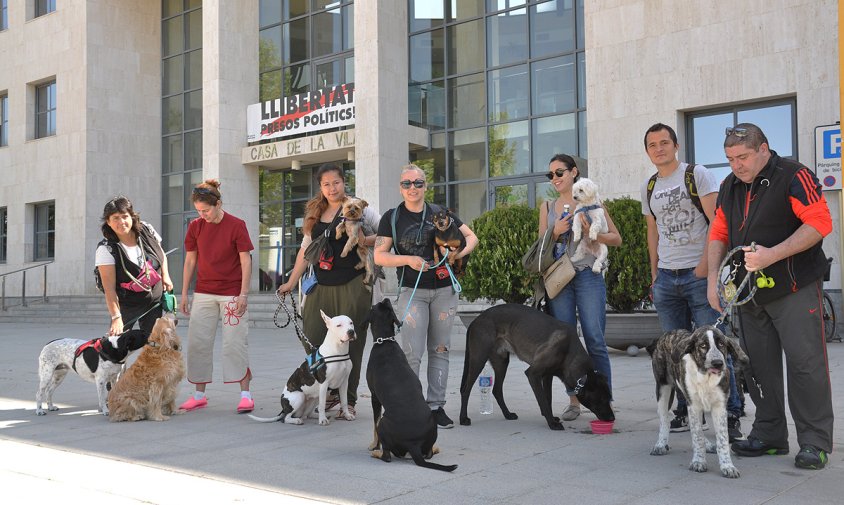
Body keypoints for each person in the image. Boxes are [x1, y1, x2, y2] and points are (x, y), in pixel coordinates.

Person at [707, 123, 833, 470]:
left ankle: (814, 442)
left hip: (794, 287)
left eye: (743, 157)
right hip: (749, 294)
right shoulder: (729, 186)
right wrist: (713, 280)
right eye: (730, 159)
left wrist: (772, 254)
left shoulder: (794, 175)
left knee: (805, 365)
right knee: (757, 366)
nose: (737, 165)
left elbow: (820, 223)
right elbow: (718, 232)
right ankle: (770, 434)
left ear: (763, 148)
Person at [640, 123, 744, 441]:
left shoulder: (696, 174)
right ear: (647, 151)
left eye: (664, 142)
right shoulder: (649, 186)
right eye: (652, 144)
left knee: (716, 348)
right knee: (678, 353)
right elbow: (653, 232)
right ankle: (687, 410)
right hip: (667, 279)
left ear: (676, 145)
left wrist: (706, 267)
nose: (659, 148)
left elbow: (718, 223)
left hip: (698, 277)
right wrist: (655, 273)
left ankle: (730, 414)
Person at [373, 164, 478, 429]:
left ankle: (436, 407)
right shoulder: (392, 217)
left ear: (425, 186)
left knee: (440, 349)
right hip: (412, 291)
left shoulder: (439, 213)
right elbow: (379, 255)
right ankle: (411, 404)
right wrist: (408, 259)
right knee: (411, 353)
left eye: (418, 183)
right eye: (407, 183)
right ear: (400, 187)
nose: (412, 188)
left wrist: (455, 256)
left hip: (444, 290)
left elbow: (471, 238)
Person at [278, 163, 380, 416]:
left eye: (336, 182)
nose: (332, 188)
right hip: (321, 285)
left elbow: (385, 235)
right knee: (312, 336)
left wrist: (363, 240)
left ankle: (350, 400)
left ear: (343, 183)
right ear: (320, 187)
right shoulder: (314, 212)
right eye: (326, 184)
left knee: (351, 342)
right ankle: (329, 388)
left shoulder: (358, 208)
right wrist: (291, 282)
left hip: (353, 284)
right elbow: (306, 250)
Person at [539, 154, 621, 421]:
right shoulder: (547, 206)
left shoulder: (593, 202)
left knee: (595, 339)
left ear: (574, 172)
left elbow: (616, 238)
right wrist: (554, 230)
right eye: (550, 175)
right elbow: (540, 247)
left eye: (559, 172)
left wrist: (589, 233)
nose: (555, 179)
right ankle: (574, 400)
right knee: (565, 342)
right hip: (560, 279)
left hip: (588, 275)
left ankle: (604, 398)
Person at [178, 180, 256, 414]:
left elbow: (245, 260)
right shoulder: (196, 226)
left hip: (232, 293)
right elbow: (190, 260)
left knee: (234, 343)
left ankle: (245, 395)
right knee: (198, 343)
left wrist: (244, 293)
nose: (202, 215)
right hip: (203, 292)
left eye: (206, 210)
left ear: (218, 204)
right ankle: (199, 395)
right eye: (198, 211)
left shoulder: (237, 225)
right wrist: (184, 292)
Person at [95, 196, 172, 336]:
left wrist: (165, 275)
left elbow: (161, 254)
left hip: (154, 301)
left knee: (155, 347)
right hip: (127, 304)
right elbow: (109, 289)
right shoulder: (106, 249)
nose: (121, 222)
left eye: (125, 216)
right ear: (108, 222)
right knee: (116, 346)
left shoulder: (146, 230)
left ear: (132, 216)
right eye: (115, 218)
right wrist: (116, 318)